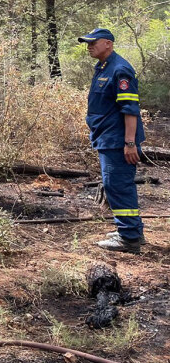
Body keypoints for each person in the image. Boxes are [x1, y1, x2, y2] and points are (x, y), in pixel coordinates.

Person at [78, 28, 146, 254]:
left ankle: (128, 239)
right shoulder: (104, 67)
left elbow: (130, 109)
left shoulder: (121, 69)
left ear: (108, 43)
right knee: (117, 185)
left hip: (118, 140)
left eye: (93, 42)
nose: (89, 46)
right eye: (87, 43)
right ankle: (132, 231)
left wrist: (129, 142)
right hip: (107, 136)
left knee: (117, 185)